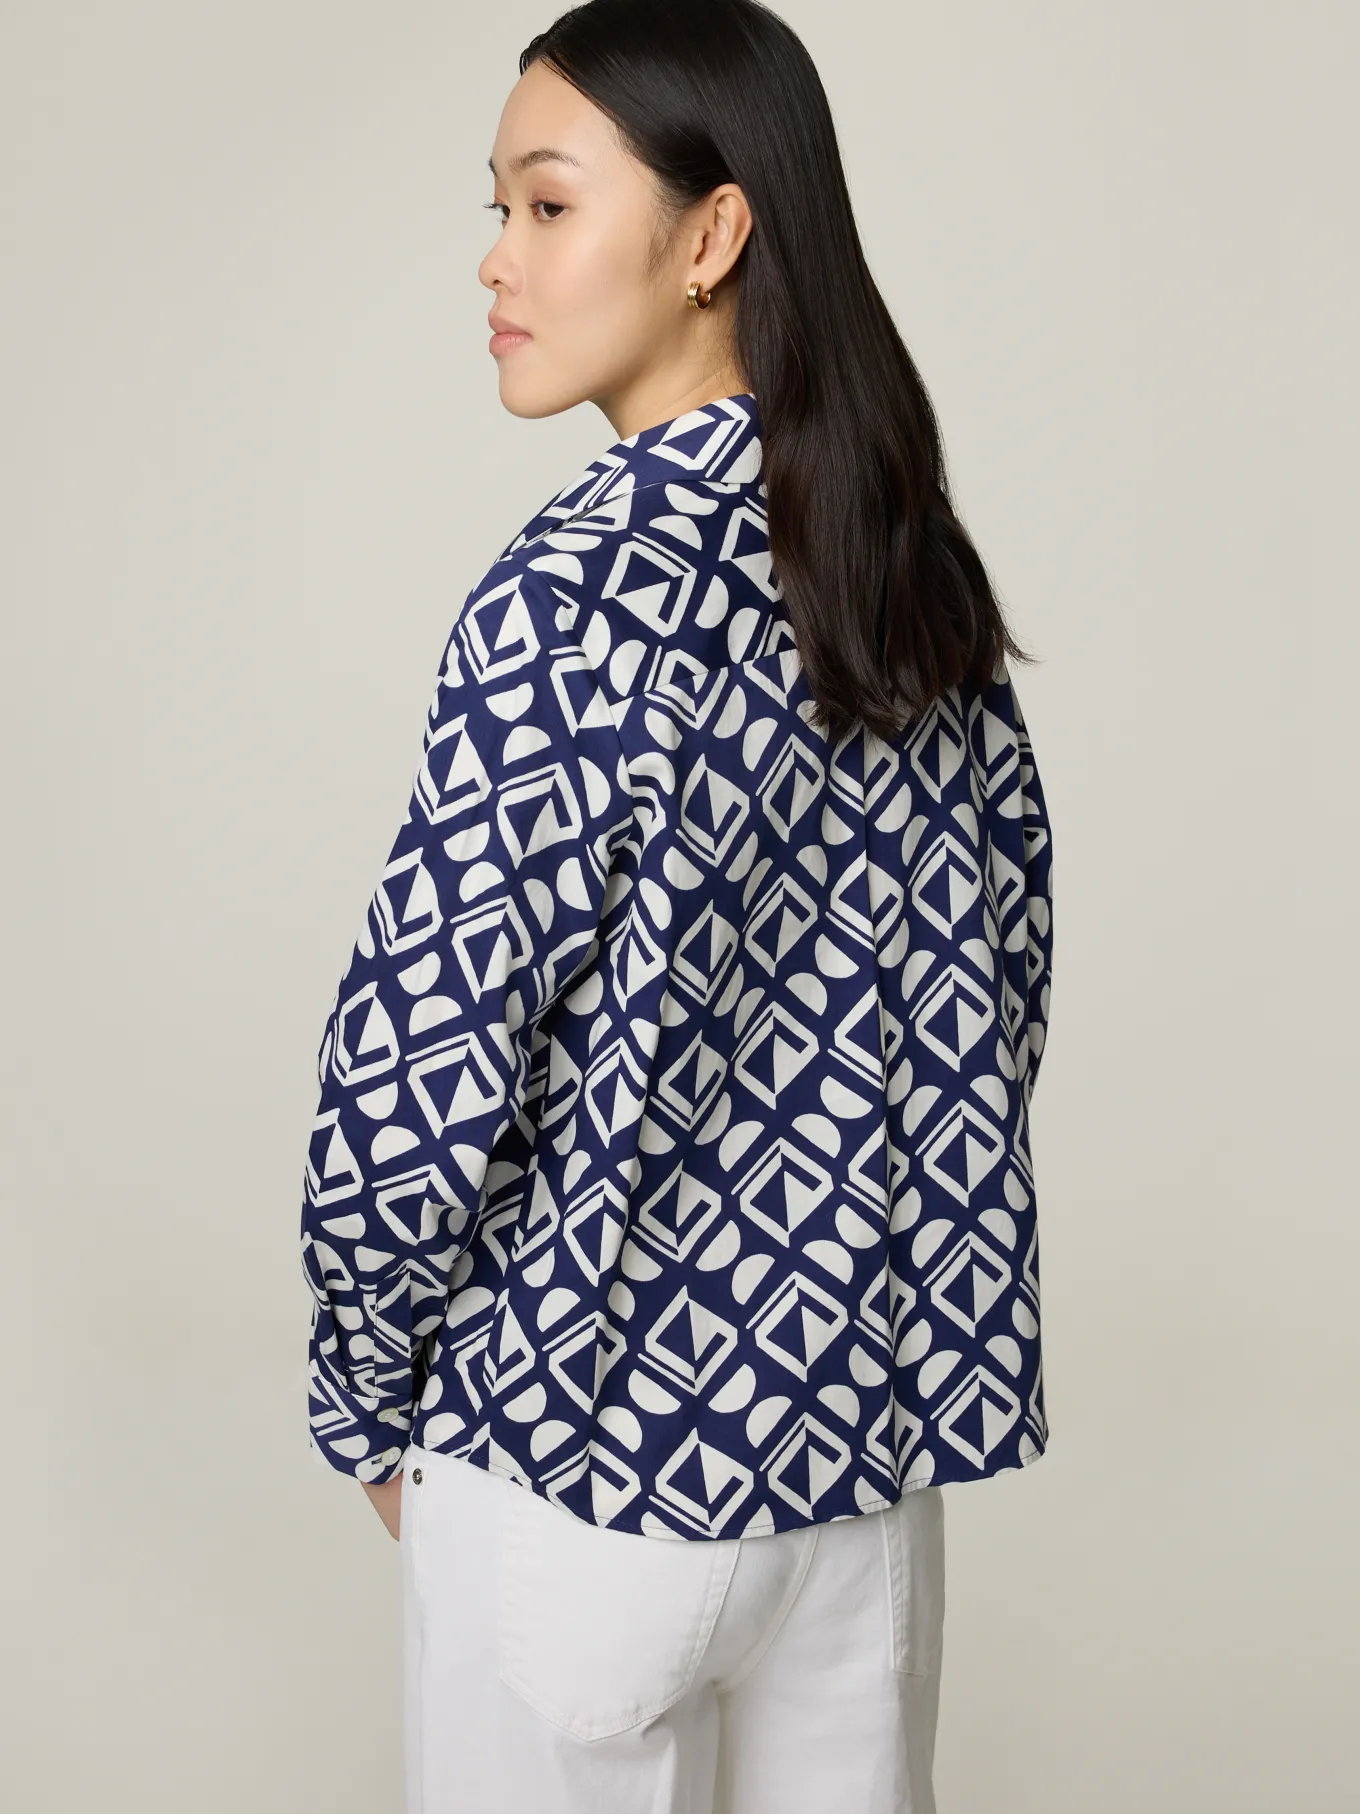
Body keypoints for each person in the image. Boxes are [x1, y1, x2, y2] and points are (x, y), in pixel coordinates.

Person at [298, 2, 1055, 1808]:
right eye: (496, 208)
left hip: (580, 1466)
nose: (497, 259)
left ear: (713, 234)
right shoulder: (904, 564)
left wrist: (365, 1392)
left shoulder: (571, 597)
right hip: (855, 1479)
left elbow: (416, 1075)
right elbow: (999, 981)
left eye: (549, 205)